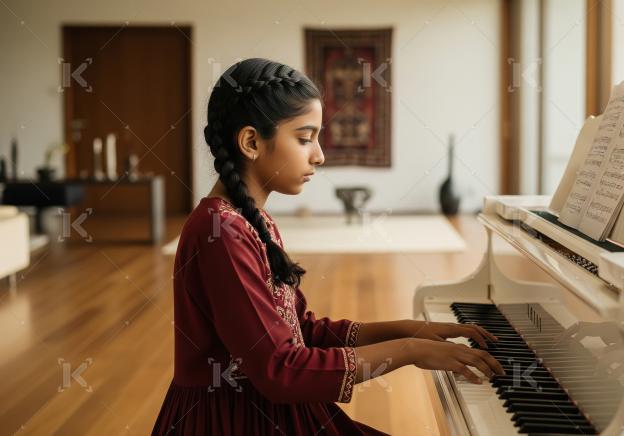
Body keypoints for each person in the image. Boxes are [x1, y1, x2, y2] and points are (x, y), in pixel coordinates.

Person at [151, 58, 504, 435]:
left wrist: (409, 331)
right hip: (237, 421)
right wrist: (408, 351)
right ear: (251, 142)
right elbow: (279, 371)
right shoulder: (219, 232)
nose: (319, 155)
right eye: (305, 138)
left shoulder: (250, 221)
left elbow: (300, 330)